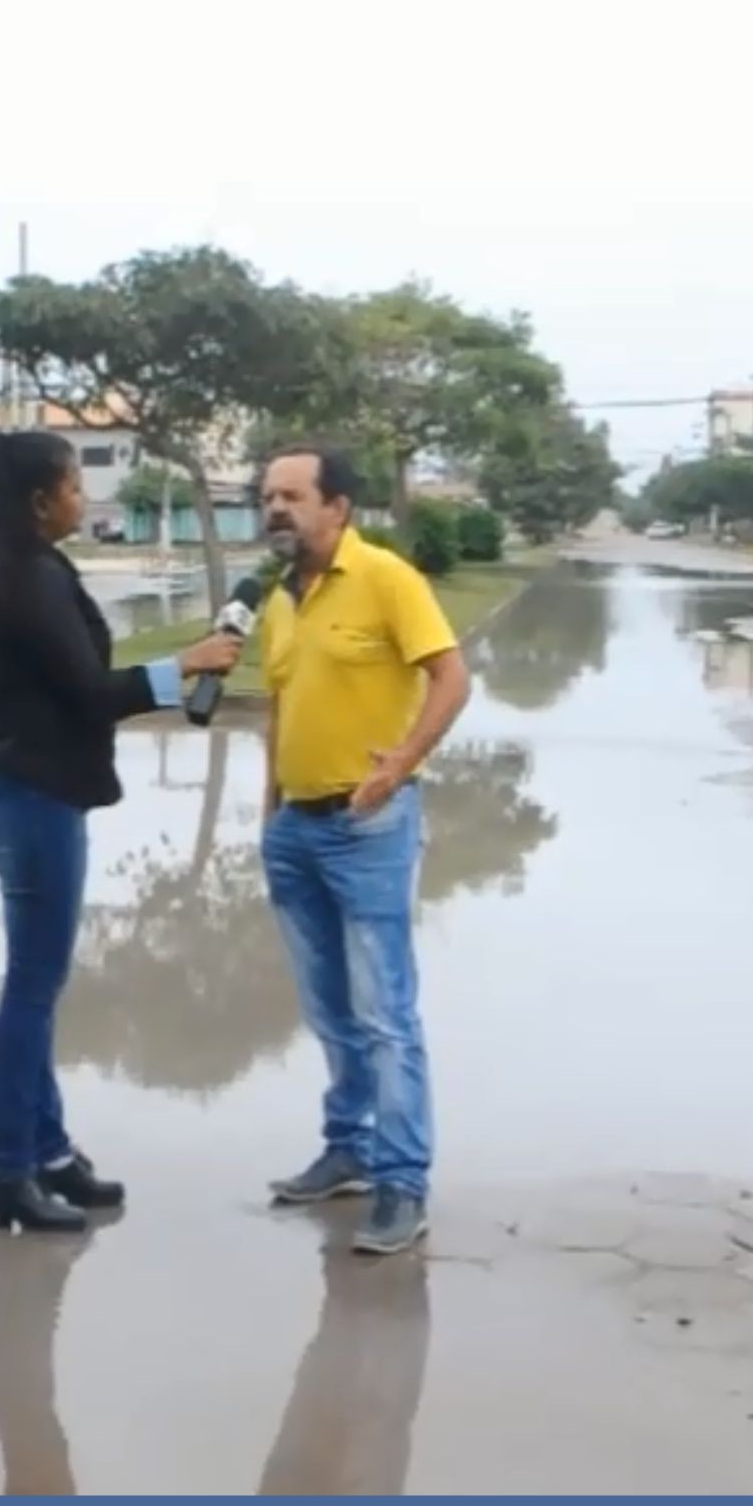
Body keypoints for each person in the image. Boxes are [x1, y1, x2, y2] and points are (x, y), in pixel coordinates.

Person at [0, 431, 238, 1234]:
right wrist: (183, 665)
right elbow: (88, 690)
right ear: (42, 500)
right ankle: (10, 1171)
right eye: (76, 485)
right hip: (32, 799)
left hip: (8, 787)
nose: (84, 497)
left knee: (36, 989)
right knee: (31, 993)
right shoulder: (31, 578)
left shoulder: (8, 570)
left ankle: (49, 1154)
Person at [253, 446, 471, 1257]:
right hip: (295, 831)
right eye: (267, 496)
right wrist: (267, 812)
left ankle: (401, 1183)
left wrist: (400, 766)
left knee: (384, 1015)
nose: (276, 508)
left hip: (366, 827)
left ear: (336, 506)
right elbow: (280, 706)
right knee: (328, 1011)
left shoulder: (385, 578)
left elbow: (451, 678)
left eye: (291, 495)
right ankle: (346, 1147)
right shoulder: (281, 597)